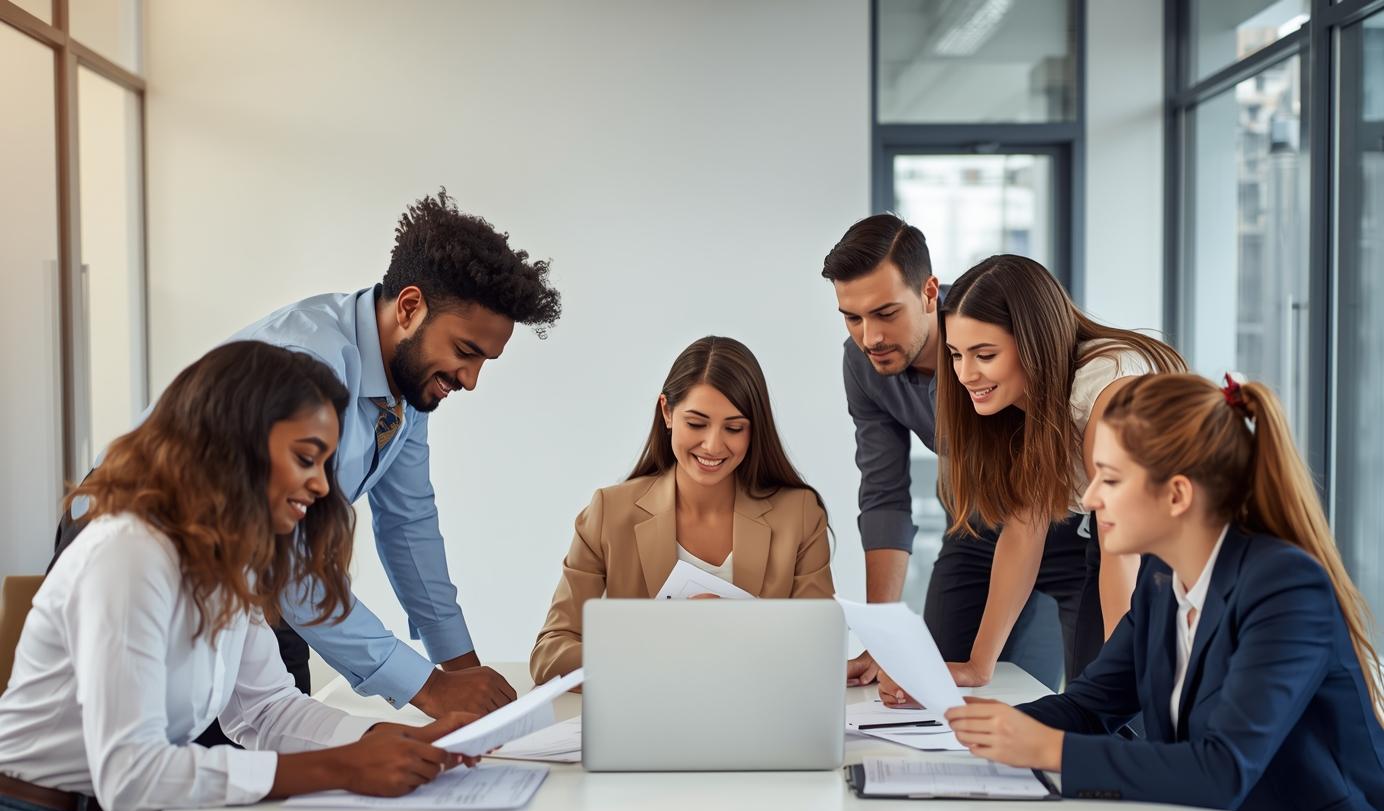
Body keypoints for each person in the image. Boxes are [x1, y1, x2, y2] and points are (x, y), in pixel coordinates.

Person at [0, 343, 479, 811]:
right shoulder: (128, 552)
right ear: (236, 442)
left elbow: (263, 708)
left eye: (325, 465)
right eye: (307, 458)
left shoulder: (229, 564)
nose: (320, 487)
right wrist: (343, 767)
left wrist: (392, 742)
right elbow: (129, 775)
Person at [57, 190, 562, 734]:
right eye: (465, 352)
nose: (470, 379)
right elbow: (293, 563)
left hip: (262, 559)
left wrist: (462, 673)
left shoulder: (409, 382)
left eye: (485, 361)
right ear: (410, 307)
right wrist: (430, 687)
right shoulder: (308, 365)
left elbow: (408, 520)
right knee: (174, 761)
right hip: (148, 531)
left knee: (277, 738)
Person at [944, 373, 1384, 811]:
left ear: (1177, 495)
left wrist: (1050, 750)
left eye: (1109, 479)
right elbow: (1090, 706)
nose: (1088, 499)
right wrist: (983, 731)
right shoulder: (1161, 581)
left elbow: (1223, 769)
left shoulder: (1286, 586)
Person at [910, 253, 1185, 701]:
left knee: (1123, 704)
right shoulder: (1020, 401)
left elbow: (1123, 548)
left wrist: (1120, 682)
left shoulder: (1104, 394)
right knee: (1092, 705)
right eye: (957, 354)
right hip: (1114, 542)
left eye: (985, 355)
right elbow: (1023, 531)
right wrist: (980, 666)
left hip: (1173, 548)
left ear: (1034, 343)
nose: (964, 374)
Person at [822, 216, 1066, 694]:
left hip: (1054, 527)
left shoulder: (993, 327)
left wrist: (980, 663)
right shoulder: (863, 364)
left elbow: (1034, 501)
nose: (870, 337)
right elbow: (884, 496)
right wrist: (881, 634)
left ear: (930, 293)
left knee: (1035, 691)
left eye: (886, 312)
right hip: (972, 525)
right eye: (853, 318)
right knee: (932, 687)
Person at [530, 336, 833, 685]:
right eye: (697, 423)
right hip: (650, 724)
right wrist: (659, 645)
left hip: (759, 722)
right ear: (667, 412)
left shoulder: (799, 515)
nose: (713, 445)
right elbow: (550, 655)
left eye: (734, 428)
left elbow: (820, 651)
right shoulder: (609, 513)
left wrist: (745, 632)